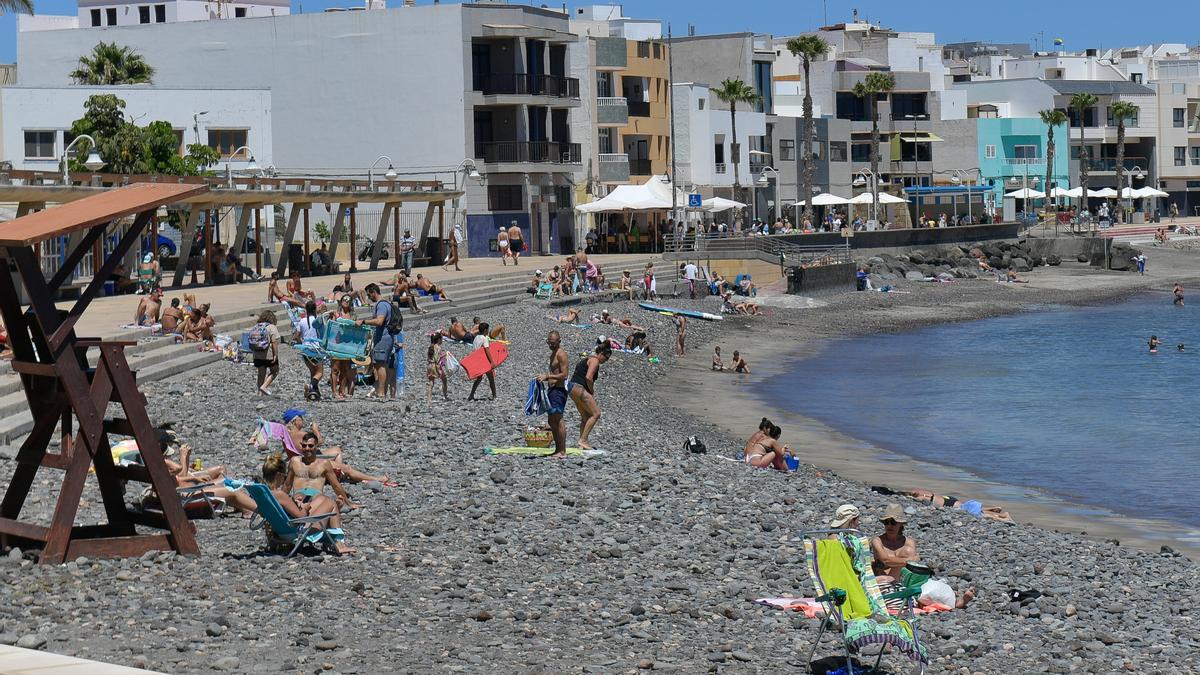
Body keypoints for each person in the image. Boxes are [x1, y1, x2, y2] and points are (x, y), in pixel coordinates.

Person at [870, 505, 975, 609]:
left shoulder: (908, 543)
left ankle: (957, 601)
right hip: (884, 582)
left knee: (929, 586)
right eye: (886, 522)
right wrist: (907, 561)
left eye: (893, 522)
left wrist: (907, 563)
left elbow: (911, 567)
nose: (889, 526)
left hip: (904, 580)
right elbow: (885, 560)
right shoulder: (877, 541)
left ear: (900, 524)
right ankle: (956, 602)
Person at [263, 453, 353, 554]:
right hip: (297, 531)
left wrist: (295, 503)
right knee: (331, 503)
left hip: (280, 530)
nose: (284, 479)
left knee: (322, 499)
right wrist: (305, 507)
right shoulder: (279, 494)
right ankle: (339, 543)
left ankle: (334, 542)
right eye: (284, 476)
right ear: (279, 475)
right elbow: (301, 515)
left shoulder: (263, 493)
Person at [355, 284, 395, 399]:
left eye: (369, 294)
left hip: (383, 338)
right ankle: (382, 392)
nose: (368, 297)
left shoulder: (381, 305)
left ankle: (381, 393)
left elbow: (379, 321)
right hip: (387, 337)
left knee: (380, 365)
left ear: (373, 292)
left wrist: (364, 322)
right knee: (382, 365)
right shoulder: (386, 303)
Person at [536, 330, 571, 458]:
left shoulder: (561, 354)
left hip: (559, 390)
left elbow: (565, 375)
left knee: (558, 419)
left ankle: (562, 451)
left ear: (559, 341)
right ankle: (557, 449)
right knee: (551, 420)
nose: (550, 346)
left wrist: (547, 376)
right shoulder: (553, 354)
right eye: (549, 343)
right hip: (552, 390)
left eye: (553, 343)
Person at [568, 343, 610, 450]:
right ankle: (583, 440)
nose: (606, 360)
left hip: (572, 388)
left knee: (586, 416)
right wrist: (591, 391)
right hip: (579, 388)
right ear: (600, 353)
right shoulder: (595, 361)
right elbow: (588, 378)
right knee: (596, 414)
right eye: (606, 357)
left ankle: (581, 442)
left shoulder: (588, 358)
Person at [298, 300, 325, 401]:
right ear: (314, 309)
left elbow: (297, 335)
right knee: (320, 373)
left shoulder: (302, 321)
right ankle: (310, 386)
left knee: (312, 372)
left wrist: (301, 342)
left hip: (305, 349)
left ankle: (314, 393)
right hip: (316, 349)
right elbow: (322, 334)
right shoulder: (318, 320)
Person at [250, 310, 281, 396]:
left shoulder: (256, 326)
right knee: (275, 371)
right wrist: (275, 355)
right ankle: (264, 386)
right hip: (268, 354)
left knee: (261, 373)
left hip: (257, 354)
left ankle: (259, 393)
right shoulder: (272, 327)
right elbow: (274, 342)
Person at [467, 322, 497, 401]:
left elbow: (475, 350)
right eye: (488, 329)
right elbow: (487, 350)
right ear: (485, 330)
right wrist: (492, 362)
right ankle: (494, 395)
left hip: (478, 360)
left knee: (479, 379)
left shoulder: (476, 338)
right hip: (484, 361)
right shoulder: (485, 338)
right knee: (491, 378)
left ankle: (471, 395)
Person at [426, 334, 449, 401]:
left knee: (431, 382)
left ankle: (429, 398)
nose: (442, 341)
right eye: (441, 339)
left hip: (429, 366)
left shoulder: (430, 347)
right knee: (444, 380)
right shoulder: (438, 347)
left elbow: (429, 358)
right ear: (439, 340)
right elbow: (437, 359)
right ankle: (445, 396)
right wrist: (445, 355)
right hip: (435, 366)